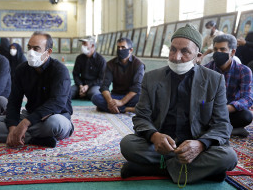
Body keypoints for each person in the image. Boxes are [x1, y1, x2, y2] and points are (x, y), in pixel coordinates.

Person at [120, 24, 237, 184]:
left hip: (196, 144)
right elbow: (141, 117)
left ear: (198, 56)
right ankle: (200, 171)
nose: (176, 57)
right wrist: (154, 136)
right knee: (128, 145)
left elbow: (222, 125)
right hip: (162, 145)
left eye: (185, 52)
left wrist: (201, 145)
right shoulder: (151, 78)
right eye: (173, 50)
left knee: (229, 157)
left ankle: (154, 168)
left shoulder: (214, 80)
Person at [0, 31, 74, 148]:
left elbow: (57, 103)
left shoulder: (59, 70)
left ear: (48, 52)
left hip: (55, 116)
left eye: (36, 48)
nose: (31, 52)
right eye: (29, 47)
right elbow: (14, 102)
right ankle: (33, 139)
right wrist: (13, 127)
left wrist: (24, 124)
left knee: (55, 124)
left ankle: (21, 134)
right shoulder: (21, 70)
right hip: (30, 115)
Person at [205, 34, 253, 137]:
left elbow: (248, 98)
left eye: (222, 49)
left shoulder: (244, 71)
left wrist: (226, 108)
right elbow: (199, 95)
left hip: (230, 111)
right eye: (215, 49)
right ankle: (231, 131)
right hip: (210, 111)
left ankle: (215, 130)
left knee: (246, 116)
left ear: (232, 52)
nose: (218, 53)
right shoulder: (206, 69)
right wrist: (207, 106)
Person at [91, 37, 145, 113]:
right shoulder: (110, 64)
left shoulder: (138, 64)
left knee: (144, 98)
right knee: (95, 98)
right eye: (118, 47)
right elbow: (104, 86)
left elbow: (137, 87)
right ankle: (128, 109)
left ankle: (119, 108)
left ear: (130, 50)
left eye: (123, 47)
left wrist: (122, 102)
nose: (120, 49)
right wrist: (110, 102)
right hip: (116, 95)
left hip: (132, 97)